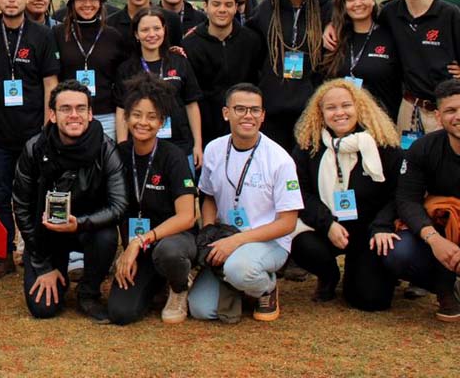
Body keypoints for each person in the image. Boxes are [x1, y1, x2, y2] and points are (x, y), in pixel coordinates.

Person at [12, 80, 127, 322]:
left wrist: (80, 223)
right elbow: (21, 206)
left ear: (90, 113)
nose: (74, 115)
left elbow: (119, 207)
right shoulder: (34, 149)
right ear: (52, 115)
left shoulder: (106, 149)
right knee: (42, 309)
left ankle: (88, 292)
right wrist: (42, 265)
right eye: (65, 109)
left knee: (107, 235)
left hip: (87, 229)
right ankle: (57, 274)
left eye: (81, 108)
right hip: (46, 234)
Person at [188, 84, 304, 323]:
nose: (248, 115)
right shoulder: (214, 149)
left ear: (263, 116)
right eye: (240, 109)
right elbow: (208, 196)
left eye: (254, 110)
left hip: (268, 241)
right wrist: (210, 232)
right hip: (226, 238)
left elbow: (288, 223)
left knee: (239, 270)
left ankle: (266, 287)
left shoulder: (280, 160)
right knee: (201, 309)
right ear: (226, 113)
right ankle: (240, 287)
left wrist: (235, 241)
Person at [290, 80, 400, 310]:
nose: (339, 113)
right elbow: (301, 193)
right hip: (327, 227)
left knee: (370, 301)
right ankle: (329, 276)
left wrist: (382, 226)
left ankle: (361, 269)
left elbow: (397, 194)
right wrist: (327, 223)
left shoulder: (382, 144)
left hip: (368, 229)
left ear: (359, 107)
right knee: (298, 242)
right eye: (331, 108)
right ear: (321, 112)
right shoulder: (309, 145)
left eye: (346, 105)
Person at [0, 0, 60, 281]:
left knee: (34, 196)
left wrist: (47, 131)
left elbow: (50, 83)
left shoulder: (42, 35)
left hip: (33, 134)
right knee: (0, 195)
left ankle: (34, 252)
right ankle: (2, 256)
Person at [108, 75, 198, 325]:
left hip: (174, 242)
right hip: (140, 249)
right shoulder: (119, 156)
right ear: (126, 117)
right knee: (120, 313)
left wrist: (139, 242)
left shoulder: (173, 156)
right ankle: (157, 283)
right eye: (137, 115)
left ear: (161, 122)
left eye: (151, 117)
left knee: (168, 252)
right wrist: (128, 251)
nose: (143, 122)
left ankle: (179, 286)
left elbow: (187, 216)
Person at [384, 79, 460, 321]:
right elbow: (407, 200)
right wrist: (434, 239)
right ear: (438, 117)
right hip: (439, 225)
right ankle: (444, 288)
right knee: (398, 252)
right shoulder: (423, 148)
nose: (458, 116)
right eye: (450, 111)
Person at [247, 0, 332, 153]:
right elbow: (245, 40)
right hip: (274, 104)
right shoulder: (267, 8)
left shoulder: (325, 7)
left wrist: (335, 23)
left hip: (311, 106)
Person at [379, 0, 460, 137]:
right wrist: (331, 26)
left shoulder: (450, 15)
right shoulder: (390, 14)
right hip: (411, 108)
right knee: (409, 163)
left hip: (447, 109)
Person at [114, 7, 203, 171]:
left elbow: (191, 104)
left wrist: (197, 144)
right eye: (145, 30)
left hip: (181, 145)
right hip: (140, 147)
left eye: (157, 28)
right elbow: (121, 110)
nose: (152, 34)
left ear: (164, 30)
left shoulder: (180, 62)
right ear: (136, 34)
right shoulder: (127, 69)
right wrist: (122, 145)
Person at [182, 0, 263, 145]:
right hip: (205, 130)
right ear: (206, 6)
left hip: (245, 126)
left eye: (228, 4)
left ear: (235, 7)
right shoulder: (190, 44)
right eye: (216, 4)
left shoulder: (252, 41)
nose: (222, 10)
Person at [53, 0, 126, 140]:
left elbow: (121, 79)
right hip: (69, 116)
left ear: (100, 2)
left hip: (106, 117)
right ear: (72, 3)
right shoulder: (57, 34)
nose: (87, 4)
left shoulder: (113, 36)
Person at [321, 0, 401, 119]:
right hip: (344, 126)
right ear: (343, 4)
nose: (358, 3)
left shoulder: (391, 35)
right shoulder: (334, 38)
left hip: (383, 125)